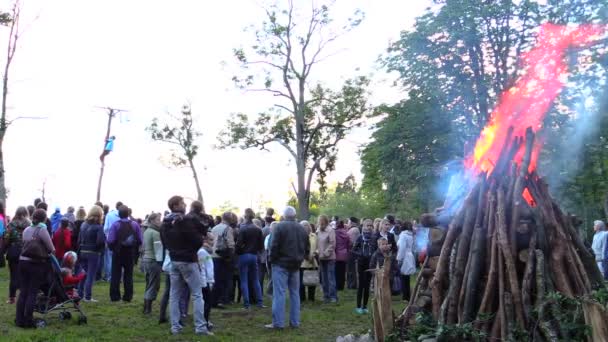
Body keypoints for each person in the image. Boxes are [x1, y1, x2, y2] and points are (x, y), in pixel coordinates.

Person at [160, 195, 212, 336]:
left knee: (174, 295)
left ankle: (175, 327)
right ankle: (200, 327)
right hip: (188, 260)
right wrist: (194, 247)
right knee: (197, 294)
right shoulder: (185, 221)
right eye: (182, 203)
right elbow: (196, 240)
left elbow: (164, 242)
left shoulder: (165, 222)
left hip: (174, 260)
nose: (184, 205)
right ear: (176, 206)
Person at [265, 206, 309, 330]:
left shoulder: (279, 227)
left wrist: (272, 260)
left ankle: (278, 323)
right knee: (295, 294)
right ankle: (295, 322)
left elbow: (273, 246)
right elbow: (307, 247)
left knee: (279, 293)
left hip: (280, 264)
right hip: (295, 265)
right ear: (294, 216)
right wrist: (300, 258)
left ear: (284, 216)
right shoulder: (301, 228)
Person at [16, 209, 55, 328]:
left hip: (22, 262)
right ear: (44, 218)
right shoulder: (42, 230)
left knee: (23, 291)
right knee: (32, 292)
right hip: (36, 264)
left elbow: (25, 244)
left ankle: (19, 319)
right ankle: (28, 320)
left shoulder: (27, 229)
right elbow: (51, 248)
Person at [107, 205, 143, 302]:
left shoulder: (115, 225)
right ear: (128, 213)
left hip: (118, 251)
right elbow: (140, 239)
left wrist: (112, 248)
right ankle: (128, 296)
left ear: (119, 214)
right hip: (130, 252)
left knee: (115, 274)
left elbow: (110, 240)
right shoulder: (135, 225)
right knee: (128, 275)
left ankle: (115, 296)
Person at [235, 208, 265, 309]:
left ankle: (247, 304)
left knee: (244, 280)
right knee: (255, 280)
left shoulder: (242, 228)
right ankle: (260, 302)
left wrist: (238, 252)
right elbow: (261, 246)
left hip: (243, 255)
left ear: (245, 215)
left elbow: (239, 244)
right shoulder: (258, 229)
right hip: (254, 255)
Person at [78, 205, 106, 302]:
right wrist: (101, 249)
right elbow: (100, 242)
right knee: (90, 275)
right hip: (93, 253)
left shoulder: (83, 225)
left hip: (82, 251)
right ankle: (88, 297)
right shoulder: (98, 227)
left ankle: (80, 294)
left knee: (83, 274)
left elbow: (79, 240)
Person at [3, 206, 30, 304]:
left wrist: (5, 248)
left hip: (13, 251)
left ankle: (12, 298)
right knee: (25, 275)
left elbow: (6, 238)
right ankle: (24, 296)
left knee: (13, 275)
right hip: (26, 252)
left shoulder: (11, 224)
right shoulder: (29, 224)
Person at [211, 212, 236, 308]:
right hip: (223, 257)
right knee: (223, 280)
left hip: (213, 255)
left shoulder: (215, 228)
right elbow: (231, 244)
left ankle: (213, 299)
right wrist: (231, 255)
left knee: (215, 280)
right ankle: (221, 300)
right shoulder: (228, 229)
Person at [352, 219, 376, 314]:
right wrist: (360, 254)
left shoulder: (374, 238)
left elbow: (376, 250)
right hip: (361, 263)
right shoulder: (360, 237)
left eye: (371, 226)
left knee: (367, 285)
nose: (369, 227)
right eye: (367, 225)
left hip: (370, 263)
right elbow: (353, 249)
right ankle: (358, 306)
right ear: (363, 226)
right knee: (361, 285)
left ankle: (365, 306)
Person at [142, 212, 163, 314]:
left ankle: (145, 306)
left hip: (146, 259)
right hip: (153, 260)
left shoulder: (146, 231)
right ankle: (148, 309)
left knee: (148, 283)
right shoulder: (155, 233)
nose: (160, 222)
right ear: (152, 221)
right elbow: (158, 250)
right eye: (158, 220)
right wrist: (161, 263)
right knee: (153, 284)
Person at [317, 215, 337, 303]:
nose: (320, 222)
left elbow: (332, 244)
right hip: (321, 258)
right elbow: (317, 243)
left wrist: (325, 253)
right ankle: (326, 295)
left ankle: (333, 296)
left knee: (330, 278)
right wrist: (317, 252)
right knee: (324, 278)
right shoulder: (318, 230)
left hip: (329, 258)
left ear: (325, 221)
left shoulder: (330, 230)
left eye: (321, 220)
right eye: (319, 221)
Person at [103, 201, 123, 282]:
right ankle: (119, 276)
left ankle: (109, 276)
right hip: (121, 240)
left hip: (110, 239)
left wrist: (107, 235)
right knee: (120, 258)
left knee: (109, 258)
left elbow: (105, 228)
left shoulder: (109, 215)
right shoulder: (124, 215)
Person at [396, 221, 416, 302]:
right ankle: (407, 295)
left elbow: (402, 248)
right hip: (410, 255)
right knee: (407, 278)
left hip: (404, 256)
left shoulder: (403, 235)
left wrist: (399, 259)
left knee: (403, 278)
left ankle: (405, 297)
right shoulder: (411, 235)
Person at [198, 239, 215, 331]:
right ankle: (204, 321)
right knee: (206, 303)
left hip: (208, 280)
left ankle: (206, 320)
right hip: (205, 281)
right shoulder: (202, 252)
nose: (212, 241)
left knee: (207, 302)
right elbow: (202, 267)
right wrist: (207, 281)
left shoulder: (206, 252)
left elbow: (209, 266)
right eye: (211, 239)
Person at [299, 220, 318, 303]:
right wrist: (305, 256)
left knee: (312, 281)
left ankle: (311, 298)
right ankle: (301, 298)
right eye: (303, 225)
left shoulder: (314, 236)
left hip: (313, 262)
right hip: (301, 262)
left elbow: (318, 247)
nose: (305, 227)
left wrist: (315, 253)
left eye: (306, 225)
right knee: (301, 283)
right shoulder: (298, 236)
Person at [334, 220, 351, 291]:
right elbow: (349, 243)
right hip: (344, 254)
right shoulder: (346, 233)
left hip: (337, 254)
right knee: (343, 271)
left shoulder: (335, 233)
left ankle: (337, 285)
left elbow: (334, 244)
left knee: (337, 271)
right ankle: (342, 286)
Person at [346, 217, 360, 290]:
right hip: (352, 252)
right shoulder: (354, 229)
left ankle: (352, 284)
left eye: (348, 222)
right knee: (351, 269)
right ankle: (351, 284)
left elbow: (351, 242)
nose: (347, 223)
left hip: (352, 252)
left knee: (351, 269)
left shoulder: (353, 230)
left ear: (351, 222)